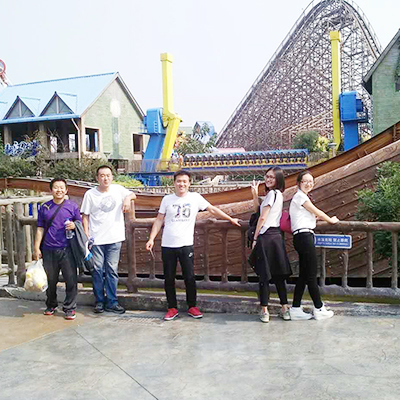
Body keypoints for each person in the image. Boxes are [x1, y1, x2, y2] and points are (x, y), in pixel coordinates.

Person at [145, 170, 241, 321]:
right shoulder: (167, 199)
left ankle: (192, 306)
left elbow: (212, 209)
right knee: (169, 278)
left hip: (186, 244)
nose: (181, 184)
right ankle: (172, 308)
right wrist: (151, 238)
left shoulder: (195, 198)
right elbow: (159, 220)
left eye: (184, 181)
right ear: (174, 183)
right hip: (168, 244)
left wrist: (230, 219)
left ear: (189, 183)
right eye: (178, 181)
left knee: (189, 277)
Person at [81, 165, 137, 314]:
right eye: (102, 176)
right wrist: (86, 233)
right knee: (97, 270)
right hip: (96, 239)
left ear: (112, 177)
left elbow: (133, 194)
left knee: (112, 270)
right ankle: (99, 301)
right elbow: (85, 215)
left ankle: (112, 301)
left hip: (114, 238)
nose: (105, 178)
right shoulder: (90, 194)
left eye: (108, 175)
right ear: (97, 178)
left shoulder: (118, 189)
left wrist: (127, 199)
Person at [289, 170, 339, 321]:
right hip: (305, 237)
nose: (308, 184)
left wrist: (314, 218)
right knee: (311, 275)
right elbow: (317, 211)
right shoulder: (300, 196)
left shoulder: (300, 197)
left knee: (304, 275)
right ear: (299, 183)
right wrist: (330, 220)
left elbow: (310, 215)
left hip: (301, 236)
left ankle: (295, 308)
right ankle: (319, 308)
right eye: (305, 181)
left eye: (311, 181)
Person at [33, 178, 81, 320]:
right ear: (51, 190)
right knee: (50, 279)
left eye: (61, 187)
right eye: (56, 187)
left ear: (66, 190)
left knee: (71, 279)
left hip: (67, 248)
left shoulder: (72, 206)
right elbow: (40, 228)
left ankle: (70, 308)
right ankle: (51, 304)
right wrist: (36, 247)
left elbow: (79, 222)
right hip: (48, 248)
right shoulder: (45, 207)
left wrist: (74, 225)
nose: (59, 190)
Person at [251, 167, 292, 323]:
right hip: (276, 237)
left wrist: (255, 238)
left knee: (264, 275)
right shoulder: (278, 194)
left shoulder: (271, 195)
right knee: (279, 275)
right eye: (267, 176)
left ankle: (264, 310)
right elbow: (258, 210)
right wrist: (255, 194)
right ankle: (285, 308)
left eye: (272, 177)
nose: (268, 179)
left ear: (278, 180)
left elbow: (262, 218)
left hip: (266, 237)